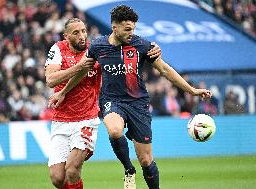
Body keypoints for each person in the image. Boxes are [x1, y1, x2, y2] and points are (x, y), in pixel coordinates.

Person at [49, 5, 212, 189]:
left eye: (133, 29)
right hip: (111, 100)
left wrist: (191, 90)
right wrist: (63, 92)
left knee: (146, 160)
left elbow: (165, 69)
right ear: (114, 27)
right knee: (115, 131)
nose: (131, 33)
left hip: (138, 103)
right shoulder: (98, 46)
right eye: (127, 29)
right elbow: (82, 72)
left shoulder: (141, 45)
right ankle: (128, 169)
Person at [45, 18, 161, 189]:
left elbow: (123, 43)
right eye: (76, 33)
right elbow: (51, 80)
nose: (82, 36)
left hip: (86, 119)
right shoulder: (58, 49)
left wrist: (153, 47)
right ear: (66, 36)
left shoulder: (97, 49)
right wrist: (77, 70)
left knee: (71, 170)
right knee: (57, 178)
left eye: (84, 31)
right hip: (61, 119)